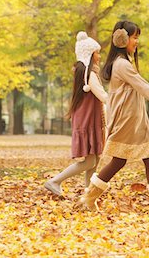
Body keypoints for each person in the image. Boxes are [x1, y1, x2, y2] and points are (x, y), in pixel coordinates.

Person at [78, 21, 149, 212]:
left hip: (134, 121)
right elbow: (144, 87)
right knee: (119, 161)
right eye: (134, 37)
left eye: (137, 37)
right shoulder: (121, 65)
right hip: (127, 122)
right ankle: (88, 199)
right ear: (122, 39)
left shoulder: (123, 63)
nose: (137, 41)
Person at [45, 31, 107, 198]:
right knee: (89, 161)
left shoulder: (84, 74)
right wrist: (122, 102)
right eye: (97, 53)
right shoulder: (90, 75)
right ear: (90, 54)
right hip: (87, 120)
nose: (99, 57)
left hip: (87, 119)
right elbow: (103, 96)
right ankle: (55, 181)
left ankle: (88, 195)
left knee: (94, 160)